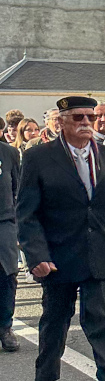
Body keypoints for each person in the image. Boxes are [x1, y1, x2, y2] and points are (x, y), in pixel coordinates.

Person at [16, 94, 105, 381]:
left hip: (101, 253)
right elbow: (27, 214)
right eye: (78, 118)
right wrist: (37, 256)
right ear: (62, 122)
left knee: (104, 321)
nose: (87, 123)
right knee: (55, 320)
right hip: (58, 257)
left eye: (91, 117)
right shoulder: (38, 158)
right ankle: (45, 377)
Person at [0, 133, 20, 353]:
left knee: (7, 275)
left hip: (4, 221)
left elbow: (18, 189)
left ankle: (5, 326)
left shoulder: (8, 153)